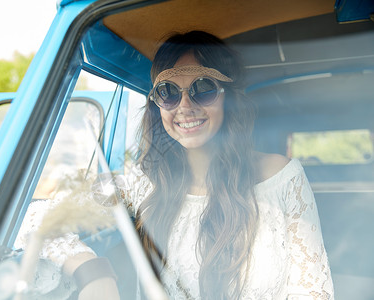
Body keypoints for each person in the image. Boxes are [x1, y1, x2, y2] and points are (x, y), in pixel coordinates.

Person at [18, 31, 334, 300]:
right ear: (157, 105)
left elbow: (314, 293)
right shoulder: (144, 182)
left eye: (203, 88)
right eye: (168, 93)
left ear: (229, 97)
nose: (184, 106)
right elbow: (37, 217)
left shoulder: (281, 175)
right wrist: (94, 271)